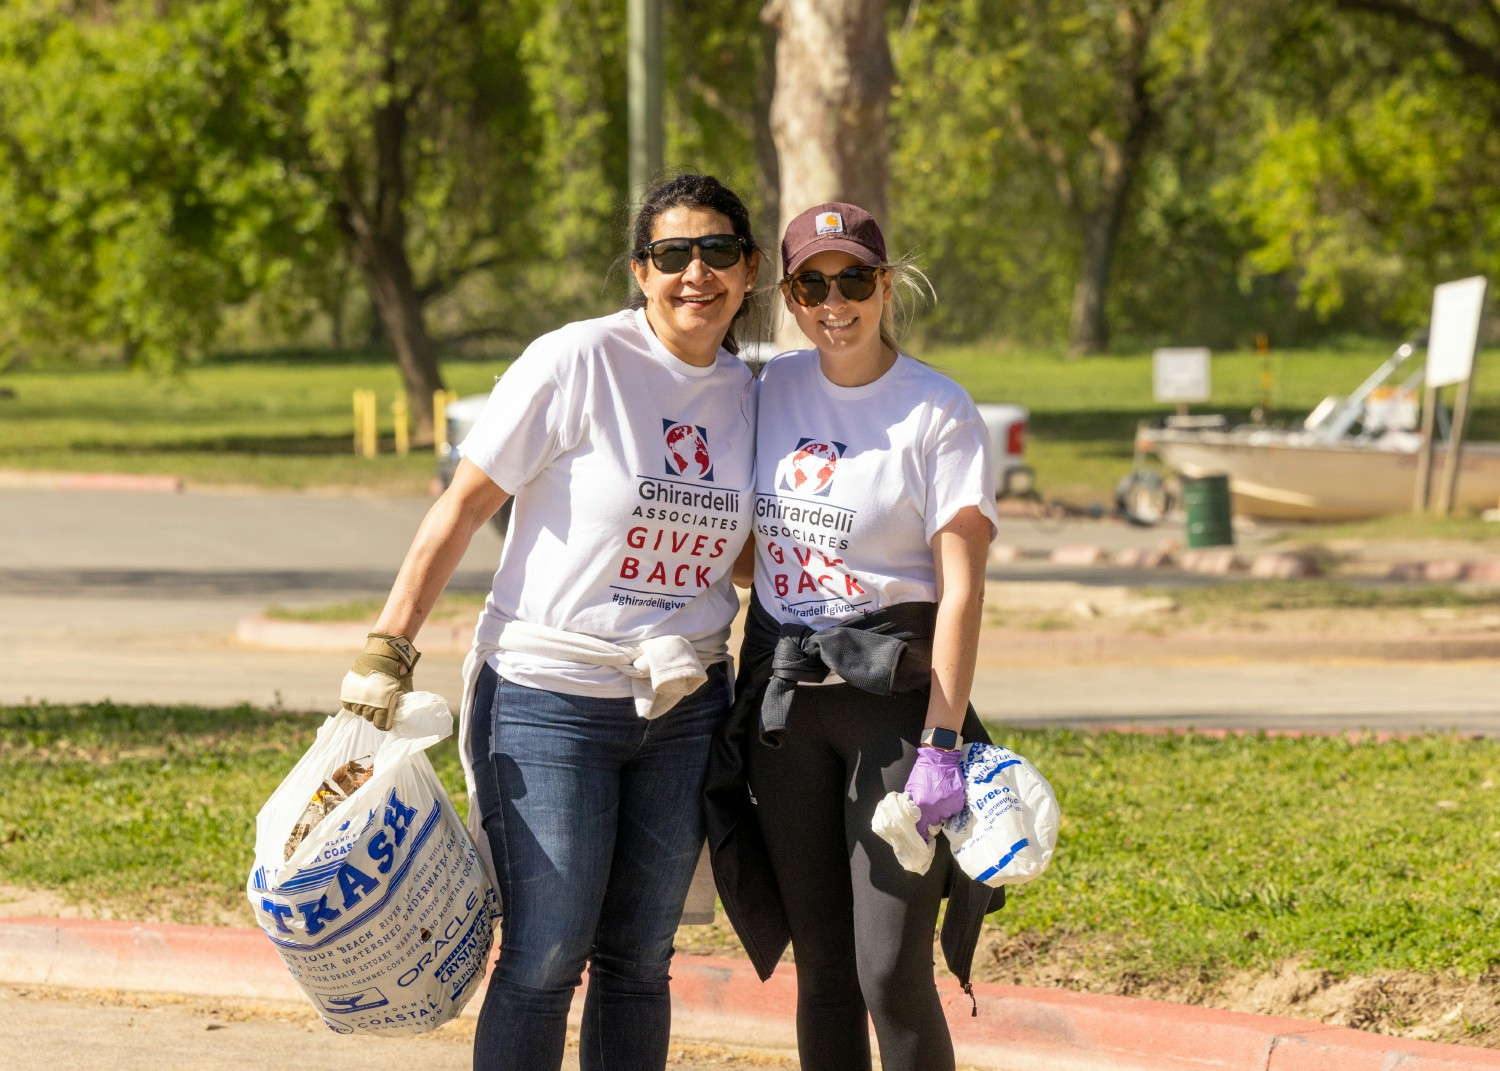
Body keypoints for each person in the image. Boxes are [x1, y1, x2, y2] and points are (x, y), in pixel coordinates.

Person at [339, 173, 762, 1071]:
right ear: (641, 271)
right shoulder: (576, 360)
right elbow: (461, 506)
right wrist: (388, 650)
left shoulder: (748, 393)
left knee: (641, 959)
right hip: (548, 696)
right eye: (673, 254)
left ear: (750, 269)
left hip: (684, 703)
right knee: (544, 954)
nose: (698, 272)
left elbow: (741, 547)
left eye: (718, 251)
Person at [706, 202, 1003, 1071]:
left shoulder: (937, 411)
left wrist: (941, 745)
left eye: (855, 280)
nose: (835, 302)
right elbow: (748, 547)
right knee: (824, 969)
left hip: (893, 711)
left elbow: (963, 593)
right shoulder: (772, 389)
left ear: (887, 283)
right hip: (785, 705)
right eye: (812, 284)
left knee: (889, 971)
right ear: (789, 296)